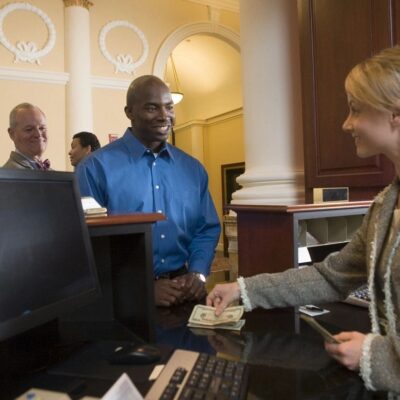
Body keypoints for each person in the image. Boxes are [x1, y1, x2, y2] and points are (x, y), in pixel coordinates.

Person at [207, 45, 400, 396]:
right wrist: (243, 290)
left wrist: (376, 354)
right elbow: (330, 275)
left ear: (395, 113)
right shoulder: (385, 204)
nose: (346, 123)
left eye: (355, 110)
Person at [77, 75, 221, 307]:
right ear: (129, 112)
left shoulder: (193, 169)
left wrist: (197, 273)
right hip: (122, 301)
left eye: (169, 107)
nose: (164, 116)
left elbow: (206, 229)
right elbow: (88, 243)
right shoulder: (94, 168)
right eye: (152, 108)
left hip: (186, 293)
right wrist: (140, 286)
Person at [3, 103, 51, 170]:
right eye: (29, 129)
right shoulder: (7, 176)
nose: (38, 134)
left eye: (42, 128)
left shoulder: (55, 174)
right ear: (12, 134)